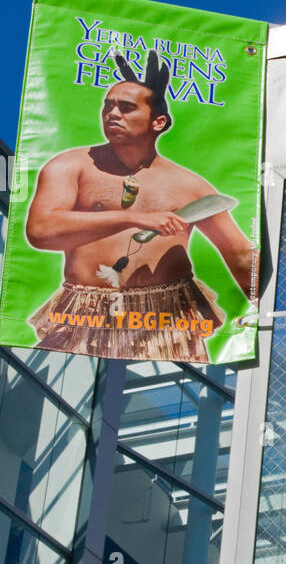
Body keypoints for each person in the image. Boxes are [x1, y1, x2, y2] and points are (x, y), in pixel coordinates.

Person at [24, 50, 255, 362]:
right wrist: (133, 219)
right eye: (108, 106)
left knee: (173, 403)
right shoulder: (69, 165)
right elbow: (41, 231)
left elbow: (240, 255)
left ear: (158, 121)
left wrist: (276, 317)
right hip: (86, 314)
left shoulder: (190, 186)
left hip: (167, 318)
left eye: (127, 108)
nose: (112, 114)